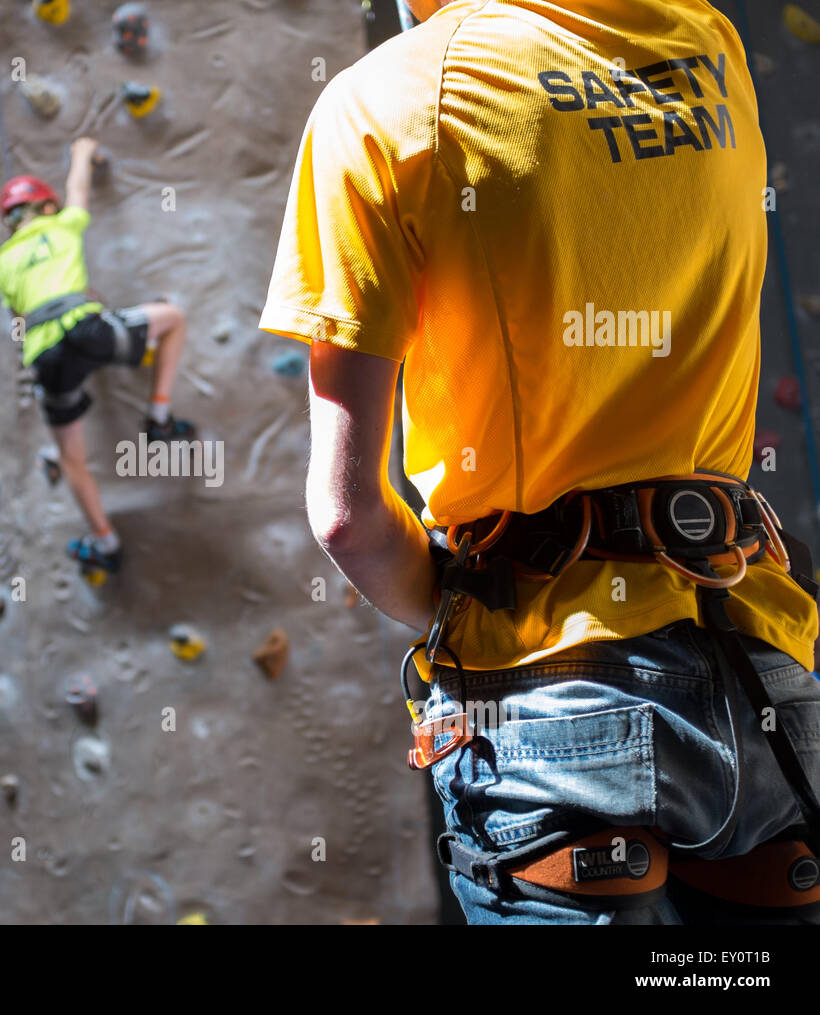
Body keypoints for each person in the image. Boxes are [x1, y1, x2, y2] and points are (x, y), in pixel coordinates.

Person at [261, 0, 820, 924]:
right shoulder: (708, 43)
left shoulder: (387, 102)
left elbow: (348, 517)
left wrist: (466, 601)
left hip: (551, 704)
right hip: (765, 680)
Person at [0, 137, 196, 578]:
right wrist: (84, 151)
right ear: (46, 207)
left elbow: (19, 317)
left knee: (71, 459)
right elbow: (78, 189)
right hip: (88, 329)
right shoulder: (62, 224)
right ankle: (158, 418)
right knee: (173, 317)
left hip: (46, 355)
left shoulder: (4, 260)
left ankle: (106, 542)